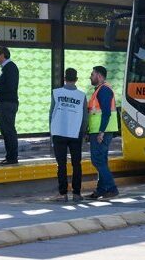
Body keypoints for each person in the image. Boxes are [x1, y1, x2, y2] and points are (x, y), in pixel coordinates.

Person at [49, 68, 88, 202]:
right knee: (76, 164)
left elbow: (51, 114)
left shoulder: (56, 93)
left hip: (58, 132)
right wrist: (82, 133)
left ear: (64, 78)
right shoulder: (82, 96)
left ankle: (63, 194)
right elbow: (85, 118)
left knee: (61, 164)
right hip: (75, 133)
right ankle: (76, 194)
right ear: (76, 79)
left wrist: (51, 133)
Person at [87, 66, 119, 199]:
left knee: (97, 160)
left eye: (92, 74)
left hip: (101, 131)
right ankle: (101, 189)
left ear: (99, 76)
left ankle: (111, 188)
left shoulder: (104, 90)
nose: (90, 76)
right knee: (102, 161)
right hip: (100, 130)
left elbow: (106, 113)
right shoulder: (101, 90)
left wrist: (101, 132)